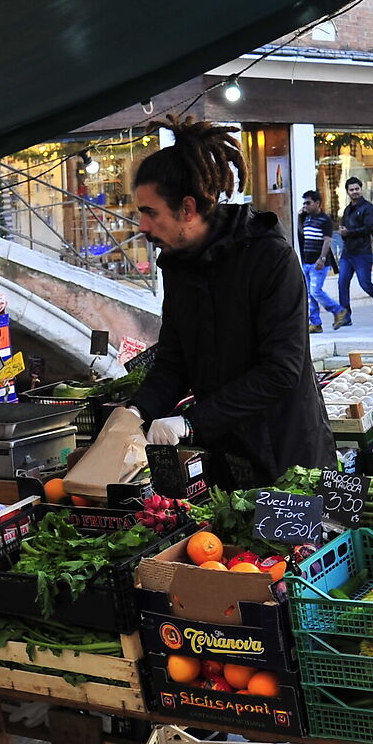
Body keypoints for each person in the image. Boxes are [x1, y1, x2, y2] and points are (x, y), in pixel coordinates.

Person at [128, 117, 333, 486]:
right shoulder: (178, 266)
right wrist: (136, 410)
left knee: (290, 546)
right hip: (223, 457)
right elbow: (174, 360)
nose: (142, 226)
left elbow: (281, 370)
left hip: (288, 455)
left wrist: (192, 421)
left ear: (187, 209)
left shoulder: (271, 258)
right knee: (226, 543)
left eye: (150, 212)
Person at [331, 177, 373, 330]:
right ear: (347, 192)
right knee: (342, 283)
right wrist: (342, 232)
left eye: (356, 189)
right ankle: (345, 316)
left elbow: (369, 228)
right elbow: (344, 227)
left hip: (363, 252)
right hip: (348, 252)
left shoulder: (367, 207)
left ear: (361, 189)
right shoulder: (347, 210)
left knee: (365, 283)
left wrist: (349, 232)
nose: (354, 192)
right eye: (351, 190)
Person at [293, 190, 336, 334]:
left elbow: (327, 241)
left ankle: (339, 311)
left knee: (316, 291)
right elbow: (302, 233)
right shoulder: (307, 218)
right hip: (308, 262)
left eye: (308, 203)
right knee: (310, 295)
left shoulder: (325, 220)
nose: (305, 206)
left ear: (317, 203)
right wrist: (299, 217)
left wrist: (322, 259)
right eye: (304, 203)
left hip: (319, 263)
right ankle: (316, 323)